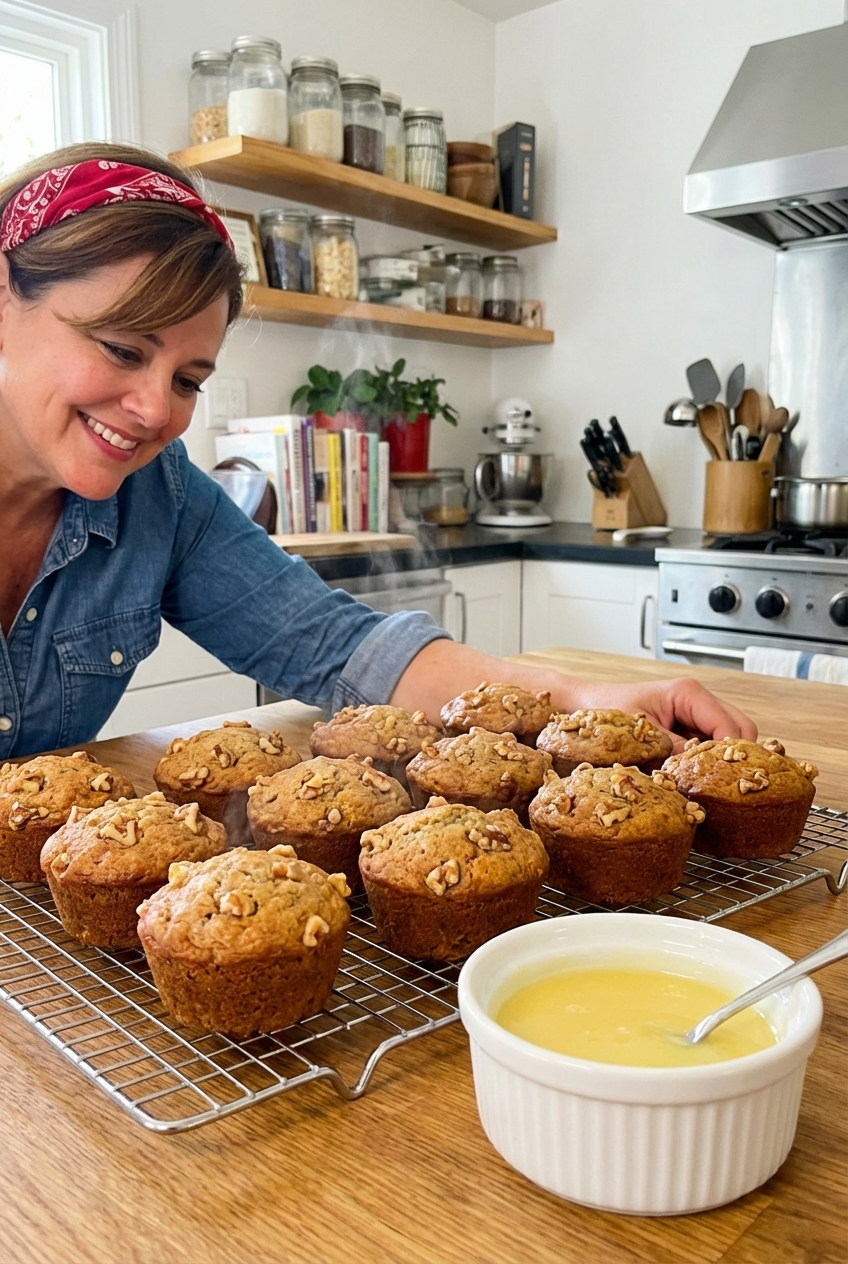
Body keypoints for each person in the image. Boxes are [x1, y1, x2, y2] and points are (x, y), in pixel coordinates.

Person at [0, 142, 756, 761]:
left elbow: (345, 648)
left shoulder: (159, 498)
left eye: (190, 379)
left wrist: (586, 698)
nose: (157, 410)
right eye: (122, 349)